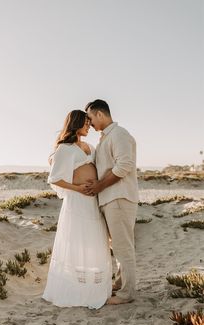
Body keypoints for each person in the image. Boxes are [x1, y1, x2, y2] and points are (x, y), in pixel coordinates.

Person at [42, 110, 112, 309]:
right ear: (76, 123)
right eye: (86, 123)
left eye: (90, 124)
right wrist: (78, 188)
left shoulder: (90, 146)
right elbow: (55, 178)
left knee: (94, 240)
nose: (89, 126)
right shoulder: (65, 149)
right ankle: (77, 289)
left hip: (93, 200)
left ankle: (94, 286)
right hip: (77, 201)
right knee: (78, 241)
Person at [85, 99, 139, 305]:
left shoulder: (119, 135)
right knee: (117, 245)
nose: (89, 123)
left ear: (100, 114)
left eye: (90, 118)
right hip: (109, 199)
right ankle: (120, 283)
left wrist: (99, 186)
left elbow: (124, 165)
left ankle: (128, 293)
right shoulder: (104, 139)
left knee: (123, 247)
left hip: (119, 197)